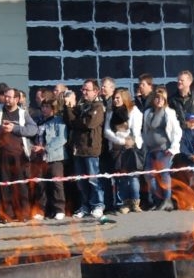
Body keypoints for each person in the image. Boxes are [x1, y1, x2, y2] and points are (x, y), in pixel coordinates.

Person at [0, 86, 38, 222]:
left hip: (19, 155)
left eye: (9, 97)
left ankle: (23, 213)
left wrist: (15, 128)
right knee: (5, 186)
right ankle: (8, 214)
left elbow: (33, 129)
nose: (6, 99)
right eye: (5, 96)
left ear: (17, 99)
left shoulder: (22, 113)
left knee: (21, 186)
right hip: (2, 155)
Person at [64, 79, 106, 219]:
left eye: (87, 90)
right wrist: (68, 107)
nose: (84, 92)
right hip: (78, 149)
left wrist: (77, 122)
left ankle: (98, 205)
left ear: (95, 91)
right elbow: (70, 121)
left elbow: (89, 124)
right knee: (81, 181)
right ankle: (85, 205)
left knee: (93, 180)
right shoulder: (81, 106)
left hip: (91, 149)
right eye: (82, 90)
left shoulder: (98, 107)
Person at [103, 87, 143, 215]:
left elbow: (136, 130)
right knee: (121, 177)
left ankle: (135, 202)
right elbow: (107, 131)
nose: (115, 100)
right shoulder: (110, 112)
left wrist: (131, 142)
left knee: (133, 177)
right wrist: (121, 140)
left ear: (124, 98)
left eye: (118, 98)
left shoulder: (134, 111)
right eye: (114, 98)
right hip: (116, 148)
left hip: (131, 147)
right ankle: (125, 202)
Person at [141, 87, 182, 211]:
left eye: (162, 98)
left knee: (164, 175)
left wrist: (173, 148)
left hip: (164, 150)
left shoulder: (169, 113)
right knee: (149, 175)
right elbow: (145, 131)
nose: (159, 100)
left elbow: (177, 132)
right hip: (150, 150)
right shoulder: (148, 113)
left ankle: (167, 200)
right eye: (157, 98)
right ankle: (157, 200)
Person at [31, 97, 69, 220]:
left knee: (56, 183)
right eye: (43, 107)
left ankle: (59, 209)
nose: (44, 109)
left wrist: (45, 148)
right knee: (41, 184)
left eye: (47, 107)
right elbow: (36, 138)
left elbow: (62, 138)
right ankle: (42, 210)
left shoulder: (59, 121)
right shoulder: (39, 122)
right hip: (40, 158)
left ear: (53, 109)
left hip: (55, 157)